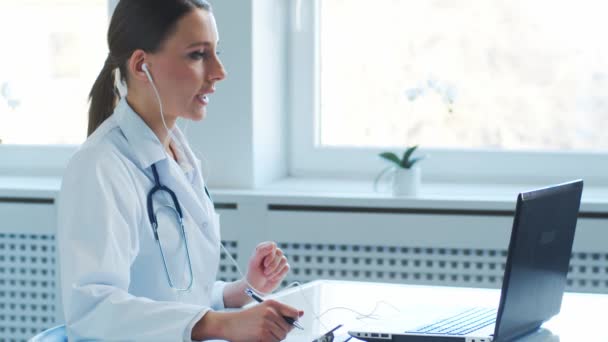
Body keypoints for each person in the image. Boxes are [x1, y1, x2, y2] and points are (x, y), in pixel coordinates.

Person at [57, 0, 303, 340]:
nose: (219, 71)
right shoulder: (100, 167)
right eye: (198, 55)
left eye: (215, 52)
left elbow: (174, 292)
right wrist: (221, 324)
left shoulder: (178, 156)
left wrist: (242, 290)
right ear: (142, 66)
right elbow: (92, 311)